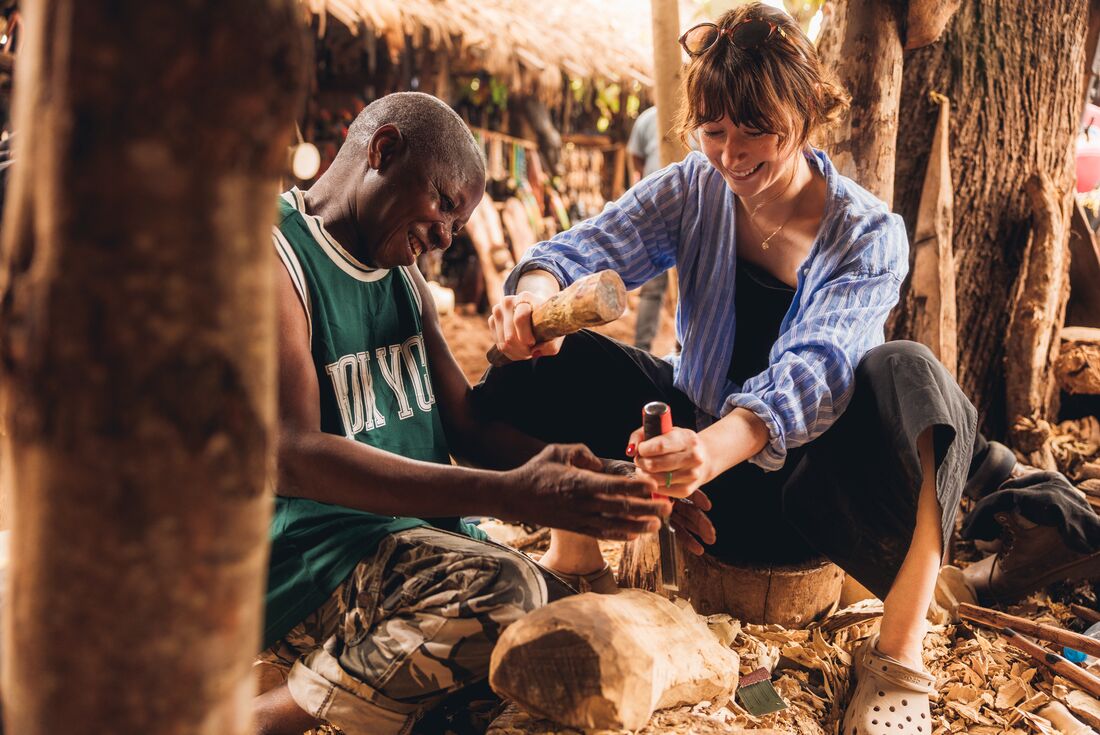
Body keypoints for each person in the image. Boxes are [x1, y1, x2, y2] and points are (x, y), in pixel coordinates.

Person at [474, 5, 1012, 732]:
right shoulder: (693, 187)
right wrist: (535, 298)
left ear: (807, 111)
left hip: (805, 494)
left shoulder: (868, 234)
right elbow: (584, 247)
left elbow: (814, 368)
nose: (731, 154)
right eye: (713, 129)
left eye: (757, 128)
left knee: (914, 375)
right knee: (548, 358)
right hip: (700, 481)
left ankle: (898, 655)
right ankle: (577, 561)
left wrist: (705, 453)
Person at [253, 92, 669, 735]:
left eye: (460, 220)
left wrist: (610, 476)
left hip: (419, 547)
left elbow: (467, 426)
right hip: (318, 559)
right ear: (383, 151)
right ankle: (264, 716)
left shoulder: (403, 277)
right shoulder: (275, 256)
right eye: (445, 204)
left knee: (571, 623)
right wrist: (510, 493)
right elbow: (294, 456)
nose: (448, 236)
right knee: (509, 594)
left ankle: (410, 704)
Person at [626, 106, 671, 353]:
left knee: (655, 288)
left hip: (659, 208)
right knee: (654, 288)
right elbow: (636, 157)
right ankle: (642, 349)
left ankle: (645, 348)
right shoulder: (648, 118)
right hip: (657, 209)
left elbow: (636, 158)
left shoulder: (646, 118)